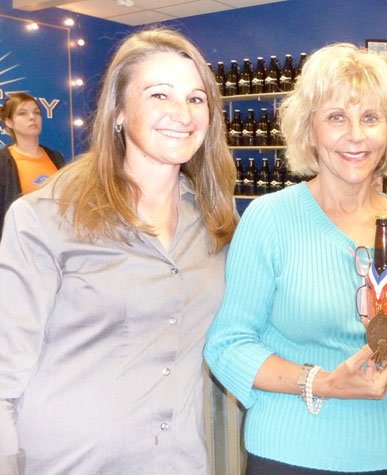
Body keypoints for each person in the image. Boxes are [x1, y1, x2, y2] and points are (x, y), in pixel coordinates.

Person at [204, 43, 387, 474]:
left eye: (370, 118)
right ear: (310, 131)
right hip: (297, 455)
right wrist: (322, 383)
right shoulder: (269, 220)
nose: (356, 136)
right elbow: (228, 345)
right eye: (336, 117)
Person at [0, 27, 237, 475]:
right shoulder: (45, 219)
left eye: (196, 98)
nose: (182, 114)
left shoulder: (215, 226)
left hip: (178, 463)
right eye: (159, 95)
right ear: (119, 112)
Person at [0, 93, 65, 238]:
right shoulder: (4, 162)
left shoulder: (56, 158)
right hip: (19, 246)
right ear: (9, 122)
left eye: (36, 112)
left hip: (57, 241)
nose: (32, 117)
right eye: (22, 113)